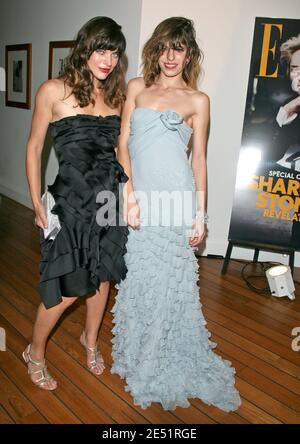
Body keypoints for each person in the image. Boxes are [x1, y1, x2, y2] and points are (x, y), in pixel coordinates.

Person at [111, 17, 241, 411]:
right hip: (142, 201)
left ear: (189, 53)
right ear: (156, 49)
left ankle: (161, 358)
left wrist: (200, 214)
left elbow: (198, 159)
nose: (171, 56)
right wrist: (127, 195)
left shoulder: (198, 101)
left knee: (171, 284)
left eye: (179, 48)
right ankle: (138, 352)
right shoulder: (135, 88)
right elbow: (122, 146)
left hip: (177, 201)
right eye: (165, 47)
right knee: (141, 279)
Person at [24, 16, 128, 390]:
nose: (108, 59)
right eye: (101, 49)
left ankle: (90, 340)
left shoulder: (116, 96)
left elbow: (123, 151)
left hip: (108, 202)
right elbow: (35, 147)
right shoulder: (53, 90)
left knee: (101, 281)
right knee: (67, 289)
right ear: (85, 48)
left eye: (114, 52)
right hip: (70, 202)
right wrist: (36, 200)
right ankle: (34, 352)